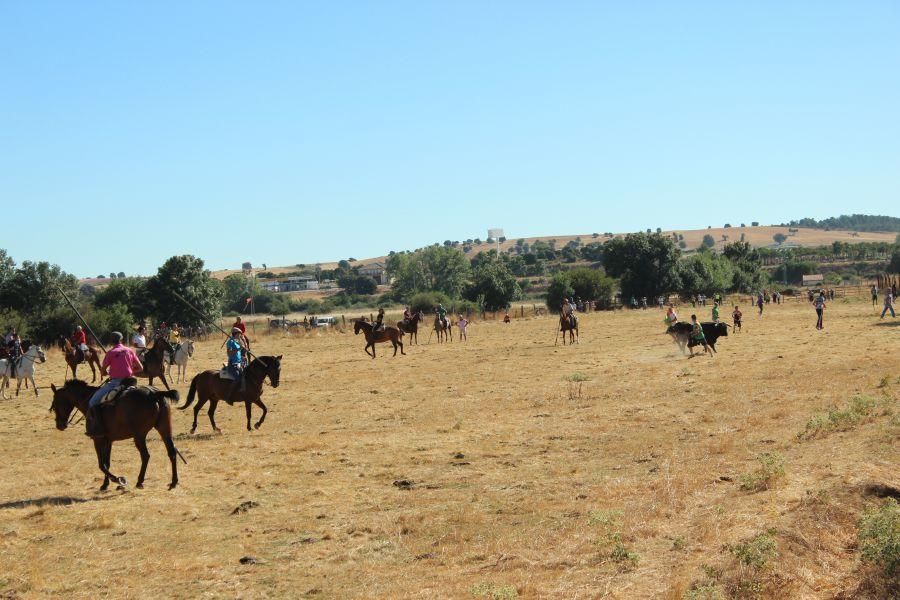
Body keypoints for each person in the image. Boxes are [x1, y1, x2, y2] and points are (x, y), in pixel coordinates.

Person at [86, 332, 143, 438]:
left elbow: (102, 371)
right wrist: (131, 371)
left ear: (112, 341)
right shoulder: (130, 350)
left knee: (93, 402)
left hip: (116, 382)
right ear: (121, 340)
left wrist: (106, 373)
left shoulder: (111, 352)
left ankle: (99, 428)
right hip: (131, 381)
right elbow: (140, 368)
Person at [224, 327, 246, 405]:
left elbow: (242, 348)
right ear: (235, 334)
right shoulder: (230, 342)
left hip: (239, 363)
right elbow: (229, 354)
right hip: (232, 365)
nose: (240, 335)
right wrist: (238, 349)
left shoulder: (237, 341)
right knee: (237, 379)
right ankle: (229, 397)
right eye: (239, 334)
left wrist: (242, 357)